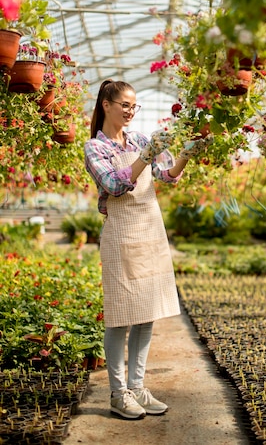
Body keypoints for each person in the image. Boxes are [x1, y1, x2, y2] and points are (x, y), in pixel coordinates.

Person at [84, 79, 211, 420]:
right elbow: (115, 185)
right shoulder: (95, 148)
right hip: (122, 234)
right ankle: (118, 393)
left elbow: (166, 176)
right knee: (121, 315)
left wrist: (186, 152)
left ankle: (138, 387)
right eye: (124, 104)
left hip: (150, 230)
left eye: (133, 106)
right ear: (106, 105)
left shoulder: (140, 139)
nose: (130, 111)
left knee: (146, 313)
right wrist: (145, 156)